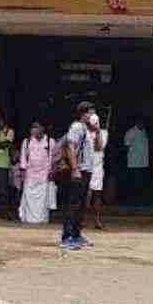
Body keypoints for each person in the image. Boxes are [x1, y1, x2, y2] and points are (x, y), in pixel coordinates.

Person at [58, 102, 96, 250]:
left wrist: (97, 130)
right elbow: (70, 147)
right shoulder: (76, 127)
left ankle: (77, 234)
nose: (93, 116)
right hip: (78, 170)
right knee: (73, 204)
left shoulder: (88, 129)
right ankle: (67, 237)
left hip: (86, 170)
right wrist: (74, 168)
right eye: (91, 113)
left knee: (81, 205)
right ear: (83, 114)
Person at [17, 122, 53, 224]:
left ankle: (41, 219)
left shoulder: (50, 142)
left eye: (36, 128)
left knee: (42, 200)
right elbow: (23, 158)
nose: (34, 130)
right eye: (33, 128)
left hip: (44, 176)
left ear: (42, 129)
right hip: (30, 175)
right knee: (29, 197)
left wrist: (50, 172)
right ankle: (28, 219)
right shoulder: (27, 141)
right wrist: (23, 173)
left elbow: (52, 158)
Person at [85, 112, 110, 230]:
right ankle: (82, 219)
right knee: (86, 194)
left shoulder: (104, 133)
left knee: (97, 194)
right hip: (86, 166)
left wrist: (98, 132)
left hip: (98, 167)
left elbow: (99, 147)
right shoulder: (84, 133)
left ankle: (97, 220)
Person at [123, 118, 150, 204]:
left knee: (141, 182)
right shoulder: (131, 132)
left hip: (143, 162)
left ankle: (139, 199)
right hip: (134, 162)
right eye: (141, 122)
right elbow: (126, 146)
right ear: (137, 122)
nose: (142, 124)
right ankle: (132, 200)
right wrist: (128, 158)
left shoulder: (144, 131)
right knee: (133, 182)